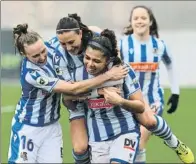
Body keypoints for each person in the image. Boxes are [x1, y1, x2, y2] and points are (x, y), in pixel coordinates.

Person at [52, 13, 194, 164]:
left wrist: (115, 65)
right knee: (80, 148)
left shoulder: (95, 38)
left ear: (80, 33)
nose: (68, 47)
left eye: (71, 42)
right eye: (63, 44)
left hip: (100, 95)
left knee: (149, 121)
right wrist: (103, 82)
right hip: (80, 97)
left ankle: (175, 143)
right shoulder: (59, 56)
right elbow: (70, 93)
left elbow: (113, 50)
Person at [7, 23, 128, 163]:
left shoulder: (52, 44)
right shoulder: (32, 73)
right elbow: (72, 90)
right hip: (28, 128)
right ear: (24, 54)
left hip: (52, 127)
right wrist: (108, 77)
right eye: (35, 55)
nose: (42, 57)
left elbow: (90, 28)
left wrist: (113, 49)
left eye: (42, 51)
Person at [119, 5, 194, 163]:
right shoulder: (122, 45)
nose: (140, 21)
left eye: (143, 18)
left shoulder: (159, 45)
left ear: (150, 21)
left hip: (152, 101)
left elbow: (171, 64)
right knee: (130, 146)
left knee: (139, 143)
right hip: (129, 102)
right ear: (131, 22)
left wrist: (175, 93)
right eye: (136, 18)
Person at [64, 28, 145, 163]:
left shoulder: (123, 70)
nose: (90, 64)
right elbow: (68, 102)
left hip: (125, 132)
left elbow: (140, 106)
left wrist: (120, 101)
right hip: (97, 139)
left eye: (96, 61)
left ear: (107, 60)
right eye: (87, 58)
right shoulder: (78, 74)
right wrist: (81, 95)